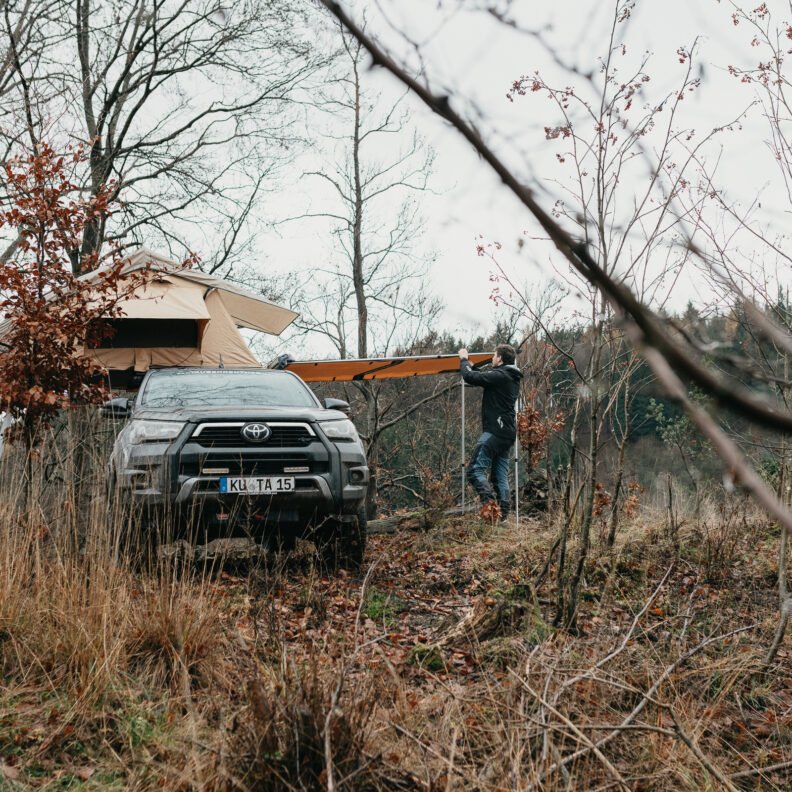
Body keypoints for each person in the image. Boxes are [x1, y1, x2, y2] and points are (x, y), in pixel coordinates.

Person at [459, 344, 523, 519]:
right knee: (499, 476)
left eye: (494, 356)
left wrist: (463, 359)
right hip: (507, 434)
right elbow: (482, 377)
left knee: (474, 470)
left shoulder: (502, 375)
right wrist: (473, 367)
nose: (492, 358)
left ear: (500, 358)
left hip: (495, 431)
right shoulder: (509, 375)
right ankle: (502, 517)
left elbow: (470, 377)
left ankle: (491, 509)